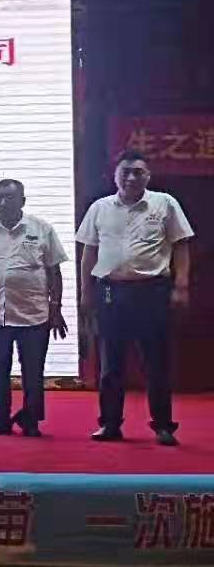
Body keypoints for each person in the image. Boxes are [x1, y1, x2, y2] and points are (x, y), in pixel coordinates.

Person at [77, 149, 194, 446]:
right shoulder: (99, 208)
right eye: (125, 172)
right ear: (115, 176)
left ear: (148, 176)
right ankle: (110, 424)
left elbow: (181, 245)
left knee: (156, 362)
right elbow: (89, 252)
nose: (131, 178)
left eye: (138, 172)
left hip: (152, 291)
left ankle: (163, 426)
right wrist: (85, 292)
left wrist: (181, 285)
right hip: (109, 291)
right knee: (110, 364)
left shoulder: (165, 203)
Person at [0, 179, 68, 437]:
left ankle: (31, 420)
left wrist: (55, 308)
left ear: (22, 200)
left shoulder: (42, 229)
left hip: (34, 314)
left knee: (33, 372)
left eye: (9, 197)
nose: (3, 203)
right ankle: (0, 419)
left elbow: (54, 272)